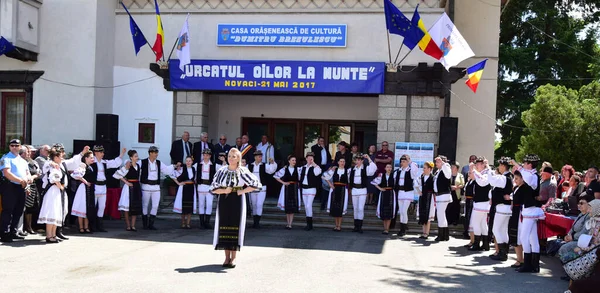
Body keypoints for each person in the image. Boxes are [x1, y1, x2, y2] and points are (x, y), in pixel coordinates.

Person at [209, 148, 261, 268]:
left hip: (237, 200)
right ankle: (226, 258)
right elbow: (212, 187)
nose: (231, 158)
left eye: (233, 156)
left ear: (238, 158)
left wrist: (242, 191)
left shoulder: (242, 171)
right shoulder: (221, 171)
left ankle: (234, 258)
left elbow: (256, 184)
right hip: (224, 200)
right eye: (229, 156)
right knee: (224, 226)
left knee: (235, 226)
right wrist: (224, 190)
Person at [0, 139, 32, 243]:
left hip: (21, 187)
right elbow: (6, 173)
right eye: (12, 145)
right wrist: (20, 180)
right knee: (8, 211)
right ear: (9, 147)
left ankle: (13, 231)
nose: (14, 147)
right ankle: (5, 233)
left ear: (20, 147)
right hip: (10, 186)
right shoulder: (6, 158)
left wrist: (27, 180)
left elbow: (27, 173)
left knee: (18, 211)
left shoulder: (23, 161)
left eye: (16, 145)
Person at [139, 146, 179, 230]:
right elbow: (135, 167)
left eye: (157, 152)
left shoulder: (158, 163)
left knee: (155, 205)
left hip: (156, 187)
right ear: (150, 153)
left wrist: (174, 166)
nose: (156, 154)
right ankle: (145, 224)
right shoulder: (142, 162)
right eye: (155, 153)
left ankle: (151, 224)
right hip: (146, 186)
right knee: (145, 205)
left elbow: (166, 170)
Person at [37, 148, 71, 244]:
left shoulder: (58, 165)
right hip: (53, 191)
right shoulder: (52, 166)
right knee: (51, 212)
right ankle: (49, 235)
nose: (62, 158)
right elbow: (54, 178)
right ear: (55, 157)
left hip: (56, 191)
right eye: (60, 157)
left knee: (56, 212)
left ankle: (53, 234)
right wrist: (61, 187)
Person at [90, 145, 126, 232]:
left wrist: (121, 154)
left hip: (103, 186)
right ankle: (92, 225)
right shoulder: (91, 162)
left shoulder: (104, 162)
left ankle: (100, 225)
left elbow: (115, 163)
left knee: (102, 206)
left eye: (103, 152)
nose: (103, 154)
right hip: (95, 186)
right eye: (101, 152)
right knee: (93, 206)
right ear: (96, 153)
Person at [487, 157, 514, 261]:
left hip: (502, 207)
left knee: (496, 229)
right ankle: (504, 252)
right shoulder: (508, 177)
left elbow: (491, 180)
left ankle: (502, 252)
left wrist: (488, 168)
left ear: (503, 166)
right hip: (506, 208)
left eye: (499, 165)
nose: (498, 167)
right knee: (503, 230)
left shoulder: (504, 178)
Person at [558, 194, 594, 263]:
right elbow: (572, 228)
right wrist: (568, 236)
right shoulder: (580, 214)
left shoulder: (589, 217)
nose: (579, 205)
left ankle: (571, 267)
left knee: (564, 248)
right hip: (574, 239)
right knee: (560, 244)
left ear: (589, 205)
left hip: (581, 241)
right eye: (578, 203)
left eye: (582, 203)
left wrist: (572, 237)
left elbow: (585, 232)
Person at [113, 150, 144, 231]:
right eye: (135, 156)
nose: (137, 158)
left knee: (135, 207)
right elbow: (117, 175)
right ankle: (128, 225)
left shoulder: (138, 166)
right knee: (127, 207)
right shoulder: (128, 165)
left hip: (136, 186)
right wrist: (126, 182)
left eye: (137, 156)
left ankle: (133, 225)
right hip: (129, 187)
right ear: (131, 157)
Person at [248, 150, 277, 228]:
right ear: (255, 157)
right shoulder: (250, 166)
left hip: (262, 187)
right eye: (259, 156)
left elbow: (272, 170)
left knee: (259, 204)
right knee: (253, 205)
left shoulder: (264, 165)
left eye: (261, 156)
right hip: (252, 188)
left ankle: (257, 223)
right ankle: (254, 222)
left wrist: (272, 162)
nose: (260, 158)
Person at [349, 153, 377, 234]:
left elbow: (374, 168)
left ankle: (360, 226)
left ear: (362, 161)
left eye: (359, 160)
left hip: (362, 190)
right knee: (355, 208)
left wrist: (368, 158)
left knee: (361, 208)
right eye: (356, 160)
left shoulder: (365, 168)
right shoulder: (352, 169)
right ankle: (356, 226)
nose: (357, 162)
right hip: (354, 189)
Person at [468, 156, 491, 250]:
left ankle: (477, 244)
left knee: (475, 223)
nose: (476, 166)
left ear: (483, 165)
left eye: (478, 164)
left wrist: (474, 170)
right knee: (482, 223)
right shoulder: (482, 173)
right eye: (476, 164)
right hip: (481, 202)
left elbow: (482, 182)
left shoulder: (486, 173)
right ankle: (485, 244)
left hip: (482, 202)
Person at [70, 151, 96, 233]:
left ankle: (86, 227)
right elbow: (76, 175)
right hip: (83, 188)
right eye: (91, 157)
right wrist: (85, 182)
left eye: (93, 157)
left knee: (88, 207)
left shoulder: (91, 167)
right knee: (82, 206)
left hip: (90, 188)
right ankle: (81, 227)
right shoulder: (83, 165)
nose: (92, 159)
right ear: (86, 158)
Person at [394, 154, 418, 237]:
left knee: (404, 211)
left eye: (404, 161)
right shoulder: (398, 171)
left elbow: (415, 169)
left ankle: (403, 229)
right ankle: (403, 226)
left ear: (408, 162)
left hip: (408, 193)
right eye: (401, 161)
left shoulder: (410, 170)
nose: (402, 163)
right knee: (401, 211)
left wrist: (410, 160)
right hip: (400, 193)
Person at [322, 158, 350, 231]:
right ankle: (336, 225)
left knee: (341, 207)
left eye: (343, 161)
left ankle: (339, 226)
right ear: (338, 162)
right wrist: (330, 184)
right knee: (335, 206)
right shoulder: (334, 170)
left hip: (343, 190)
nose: (342, 163)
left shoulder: (347, 171)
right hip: (335, 189)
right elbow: (324, 176)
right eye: (341, 161)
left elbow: (350, 180)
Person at [274, 155, 301, 230]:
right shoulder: (284, 169)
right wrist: (283, 182)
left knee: (292, 206)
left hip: (295, 188)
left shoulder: (298, 169)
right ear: (289, 161)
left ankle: (290, 224)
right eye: (292, 160)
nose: (294, 162)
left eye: (295, 160)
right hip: (287, 188)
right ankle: (288, 223)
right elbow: (276, 176)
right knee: (287, 205)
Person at [299, 152, 322, 231]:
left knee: (309, 205)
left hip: (311, 188)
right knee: (306, 206)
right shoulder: (303, 167)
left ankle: (310, 224)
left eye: (311, 158)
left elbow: (318, 172)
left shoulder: (315, 167)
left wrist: (313, 163)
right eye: (308, 158)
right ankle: (308, 224)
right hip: (304, 189)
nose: (310, 159)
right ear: (306, 159)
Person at [172, 156, 196, 229]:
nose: (188, 162)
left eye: (189, 161)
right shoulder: (182, 169)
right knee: (183, 206)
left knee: (190, 206)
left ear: (192, 162)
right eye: (187, 161)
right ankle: (183, 222)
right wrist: (178, 183)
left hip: (191, 188)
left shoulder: (193, 169)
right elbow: (172, 174)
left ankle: (188, 223)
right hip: (184, 188)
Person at [21, 145, 41, 235]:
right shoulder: (21, 162)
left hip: (32, 185)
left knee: (30, 207)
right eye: (28, 151)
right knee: (23, 208)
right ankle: (23, 228)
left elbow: (38, 173)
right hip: (23, 185)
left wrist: (33, 177)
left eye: (31, 152)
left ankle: (29, 227)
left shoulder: (32, 162)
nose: (30, 153)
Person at [371, 163, 395, 234]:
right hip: (384, 193)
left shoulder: (394, 176)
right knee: (384, 210)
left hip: (391, 193)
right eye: (387, 167)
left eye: (390, 167)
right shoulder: (382, 175)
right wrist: (380, 188)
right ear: (385, 168)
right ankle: (385, 228)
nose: (389, 168)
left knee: (389, 210)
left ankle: (387, 229)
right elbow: (373, 182)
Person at [196, 148, 217, 229]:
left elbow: (223, 168)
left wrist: (224, 161)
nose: (205, 157)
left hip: (209, 187)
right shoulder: (198, 164)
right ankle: (201, 223)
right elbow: (189, 167)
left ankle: (207, 222)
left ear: (210, 156)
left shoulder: (214, 165)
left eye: (207, 155)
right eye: (204, 155)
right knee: (201, 204)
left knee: (209, 204)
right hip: (201, 186)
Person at [434, 155, 452, 242]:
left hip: (443, 195)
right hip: (439, 195)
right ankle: (445, 235)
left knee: (440, 214)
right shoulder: (438, 171)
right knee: (442, 215)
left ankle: (441, 235)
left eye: (438, 162)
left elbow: (448, 175)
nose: (436, 163)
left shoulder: (446, 167)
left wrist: (444, 163)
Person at [311, 136, 332, 210]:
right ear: (318, 141)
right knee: (318, 182)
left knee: (324, 181)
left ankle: (322, 198)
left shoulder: (325, 147)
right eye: (321, 141)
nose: (322, 142)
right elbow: (315, 153)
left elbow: (329, 156)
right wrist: (321, 147)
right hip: (318, 167)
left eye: (323, 141)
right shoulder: (314, 147)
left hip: (325, 167)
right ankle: (317, 196)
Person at [416, 161, 435, 239]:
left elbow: (435, 188)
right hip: (423, 196)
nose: (423, 169)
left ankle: (426, 233)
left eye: (424, 168)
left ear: (429, 169)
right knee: (423, 213)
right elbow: (416, 184)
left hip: (429, 197)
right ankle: (423, 232)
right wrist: (419, 191)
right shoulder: (422, 177)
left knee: (428, 214)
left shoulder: (433, 177)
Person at [447, 161, 465, 226]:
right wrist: (450, 187)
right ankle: (449, 220)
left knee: (456, 207)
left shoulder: (460, 175)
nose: (452, 167)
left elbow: (462, 184)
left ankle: (455, 221)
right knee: (449, 206)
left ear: (457, 168)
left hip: (456, 194)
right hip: (449, 193)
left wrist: (456, 187)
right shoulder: (449, 175)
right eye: (451, 166)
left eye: (453, 167)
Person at [463, 171, 476, 245]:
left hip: (472, 201)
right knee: (467, 217)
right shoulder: (469, 181)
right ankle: (470, 237)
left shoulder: (475, 182)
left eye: (470, 173)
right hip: (467, 200)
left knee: (470, 218)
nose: (469, 174)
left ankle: (473, 240)